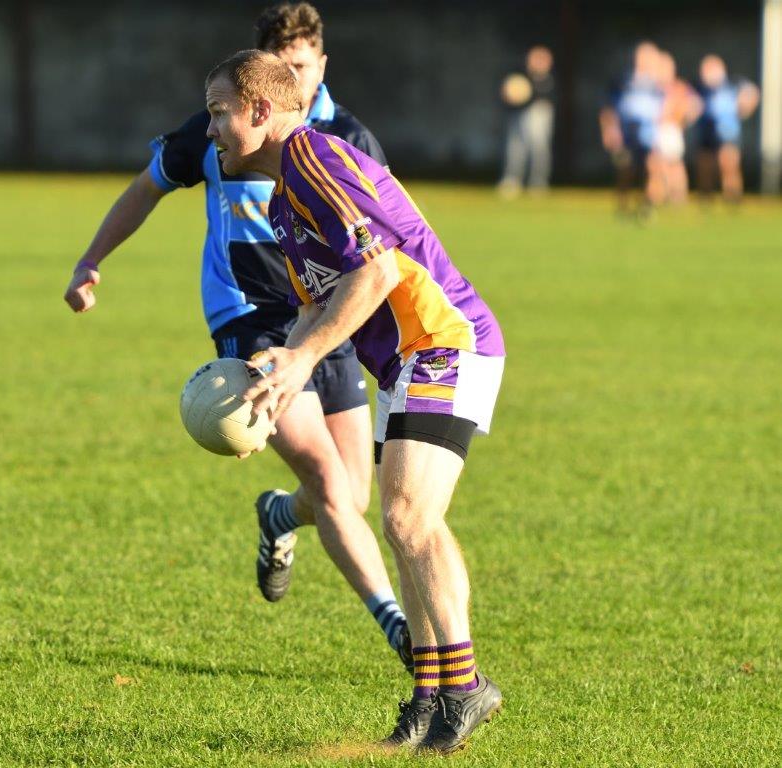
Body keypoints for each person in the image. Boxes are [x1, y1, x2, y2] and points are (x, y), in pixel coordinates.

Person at [63, 3, 413, 671]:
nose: (298, 83)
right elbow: (145, 189)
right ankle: (398, 629)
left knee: (349, 497)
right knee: (332, 486)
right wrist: (90, 261)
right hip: (248, 317)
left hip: (327, 317)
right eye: (284, 71)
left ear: (321, 66)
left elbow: (383, 239)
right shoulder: (221, 132)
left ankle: (280, 516)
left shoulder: (349, 137)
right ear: (261, 86)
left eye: (305, 69)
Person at [205, 49, 506, 754]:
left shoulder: (313, 159)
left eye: (220, 111)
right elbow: (322, 303)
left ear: (259, 110)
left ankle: (464, 688)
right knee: (407, 527)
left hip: (444, 342)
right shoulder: (284, 201)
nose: (211, 127)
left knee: (407, 516)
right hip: (405, 361)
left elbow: (372, 271)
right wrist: (286, 360)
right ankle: (433, 697)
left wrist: (306, 355)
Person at [599, 41, 665, 215]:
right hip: (627, 132)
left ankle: (648, 205)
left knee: (652, 167)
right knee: (625, 168)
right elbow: (608, 108)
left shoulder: (659, 82)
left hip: (650, 132)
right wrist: (609, 130)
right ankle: (623, 205)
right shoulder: (623, 80)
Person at [694, 54, 760, 203]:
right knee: (706, 165)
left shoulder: (733, 83)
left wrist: (745, 108)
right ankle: (705, 197)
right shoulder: (700, 87)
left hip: (728, 131)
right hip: (707, 131)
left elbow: (753, 92)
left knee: (729, 163)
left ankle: (732, 196)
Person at [497, 45, 555, 196]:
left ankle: (538, 182)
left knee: (539, 147)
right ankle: (512, 180)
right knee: (515, 148)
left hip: (538, 114)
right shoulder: (519, 74)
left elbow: (544, 97)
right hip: (519, 114)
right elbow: (509, 92)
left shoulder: (547, 79)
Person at [654, 51, 702, 204]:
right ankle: (661, 194)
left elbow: (696, 105)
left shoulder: (679, 87)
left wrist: (684, 120)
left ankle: (678, 196)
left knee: (674, 164)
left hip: (671, 129)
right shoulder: (653, 87)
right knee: (658, 164)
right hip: (656, 129)